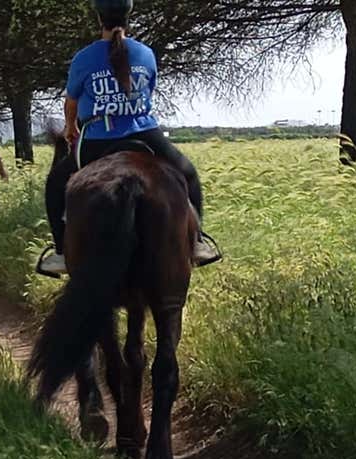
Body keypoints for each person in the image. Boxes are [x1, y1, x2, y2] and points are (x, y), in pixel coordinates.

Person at [38, 0, 220, 275]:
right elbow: (148, 91)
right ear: (128, 17)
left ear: (99, 18)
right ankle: (197, 242)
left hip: (98, 136)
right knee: (188, 173)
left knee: (55, 184)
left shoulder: (83, 58)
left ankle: (61, 253)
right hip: (144, 131)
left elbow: (71, 102)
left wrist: (71, 127)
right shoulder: (146, 54)